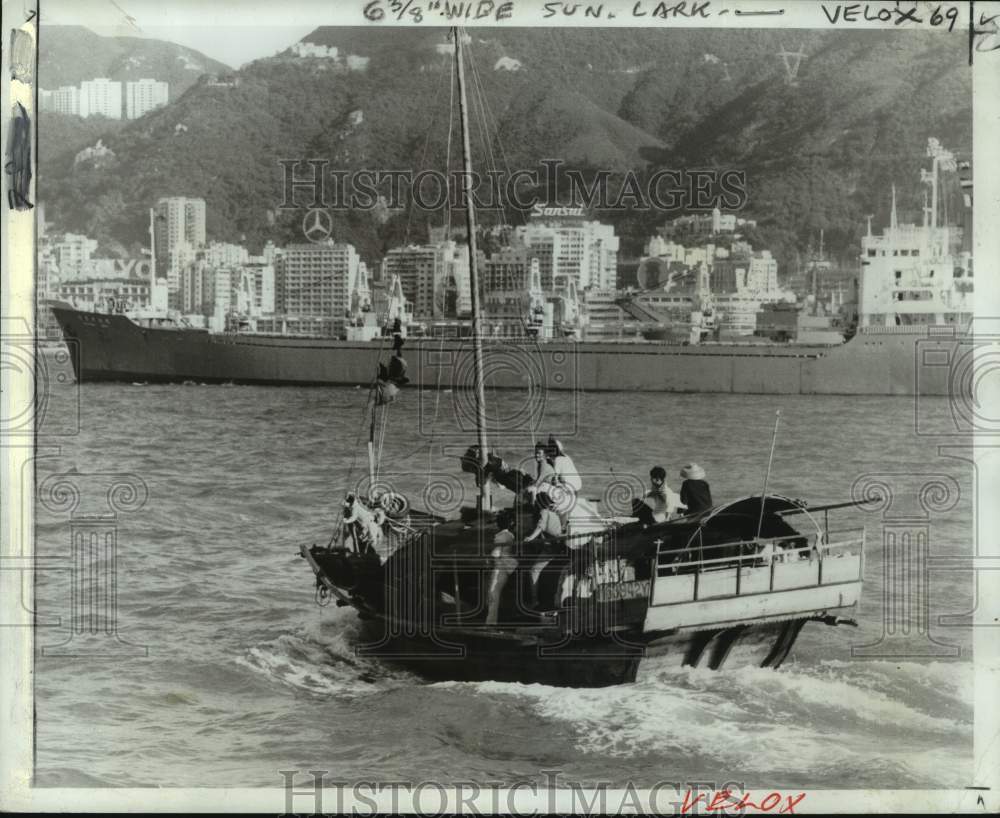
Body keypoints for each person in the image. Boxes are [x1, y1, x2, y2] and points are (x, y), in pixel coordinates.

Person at [485, 509, 519, 626]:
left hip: (500, 566)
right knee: (495, 593)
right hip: (505, 565)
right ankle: (492, 620)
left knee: (493, 592)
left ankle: (490, 622)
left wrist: (489, 559)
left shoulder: (501, 536)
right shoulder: (510, 535)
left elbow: (496, 553)